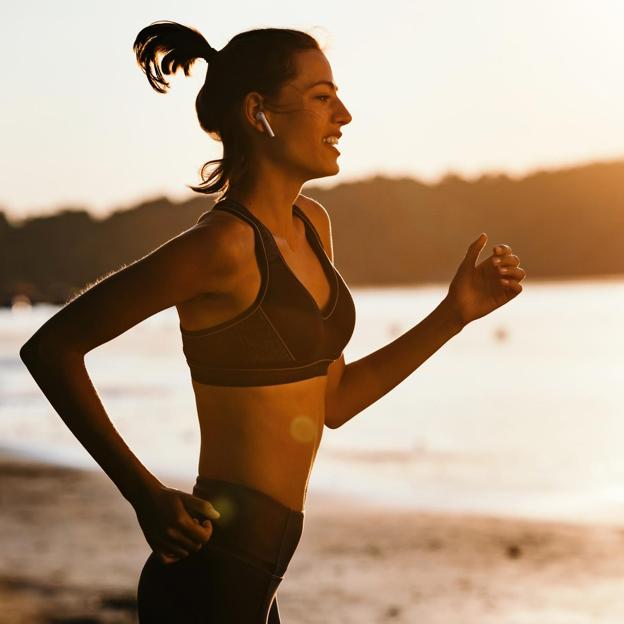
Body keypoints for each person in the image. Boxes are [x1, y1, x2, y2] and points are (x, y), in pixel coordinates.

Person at [19, 19, 527, 623]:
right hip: (209, 577)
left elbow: (334, 401)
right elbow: (51, 349)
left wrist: (455, 313)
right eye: (321, 97)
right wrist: (145, 495)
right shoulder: (219, 248)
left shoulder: (314, 226)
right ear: (260, 112)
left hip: (258, 582)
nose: (343, 115)